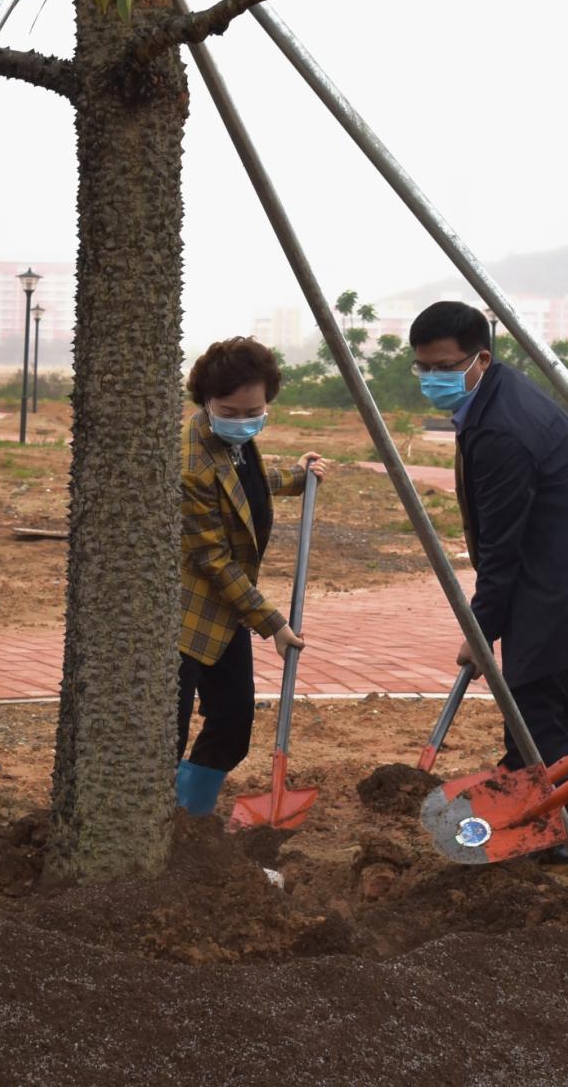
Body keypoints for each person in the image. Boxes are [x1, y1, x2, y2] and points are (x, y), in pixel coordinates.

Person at [411, 302, 568, 847]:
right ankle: (541, 823)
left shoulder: (501, 428)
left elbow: (502, 547)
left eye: (445, 367)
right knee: (545, 710)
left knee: (535, 707)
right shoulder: (498, 395)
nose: (433, 379)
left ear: (481, 357)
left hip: (566, 583)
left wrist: (480, 633)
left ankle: (541, 834)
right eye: (423, 368)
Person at [174, 337, 326, 816]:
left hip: (225, 613)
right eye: (230, 411)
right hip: (184, 616)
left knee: (233, 724)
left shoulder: (234, 443)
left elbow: (246, 485)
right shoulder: (189, 462)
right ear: (205, 402)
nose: (242, 421)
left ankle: (188, 815)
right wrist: (274, 624)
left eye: (253, 411)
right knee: (164, 735)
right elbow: (213, 559)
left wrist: (298, 476)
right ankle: (156, 822)